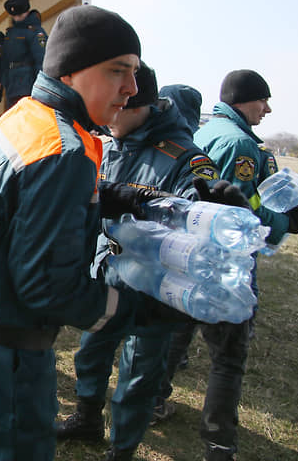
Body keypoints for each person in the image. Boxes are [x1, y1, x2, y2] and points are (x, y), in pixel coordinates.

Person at [0, 5, 200, 461]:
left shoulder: (27, 115)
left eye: (134, 73)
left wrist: (132, 198)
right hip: (5, 354)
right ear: (73, 71)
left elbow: (32, 201)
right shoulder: (64, 149)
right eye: (119, 71)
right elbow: (49, 289)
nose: (132, 89)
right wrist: (149, 310)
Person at [54, 71, 223, 461]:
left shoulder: (186, 159)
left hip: (153, 288)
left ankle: (123, 448)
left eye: (117, 104)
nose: (108, 112)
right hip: (105, 276)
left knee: (140, 371)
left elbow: (197, 227)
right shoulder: (105, 144)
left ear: (140, 104)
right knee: (90, 352)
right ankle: (87, 417)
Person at [179, 69, 298, 461]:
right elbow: (239, 206)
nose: (267, 108)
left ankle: (154, 400)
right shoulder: (241, 145)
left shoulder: (206, 131)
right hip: (227, 260)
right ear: (243, 99)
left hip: (192, 252)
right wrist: (284, 223)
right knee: (229, 353)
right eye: (262, 100)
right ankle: (219, 441)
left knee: (178, 331)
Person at [0, 0, 47, 110]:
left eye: (20, 15)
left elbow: (40, 59)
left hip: (28, 83)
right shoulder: (11, 33)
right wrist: (3, 79)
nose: (17, 19)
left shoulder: (36, 32)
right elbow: (5, 59)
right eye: (14, 16)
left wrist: (40, 85)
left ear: (27, 11)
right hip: (12, 83)